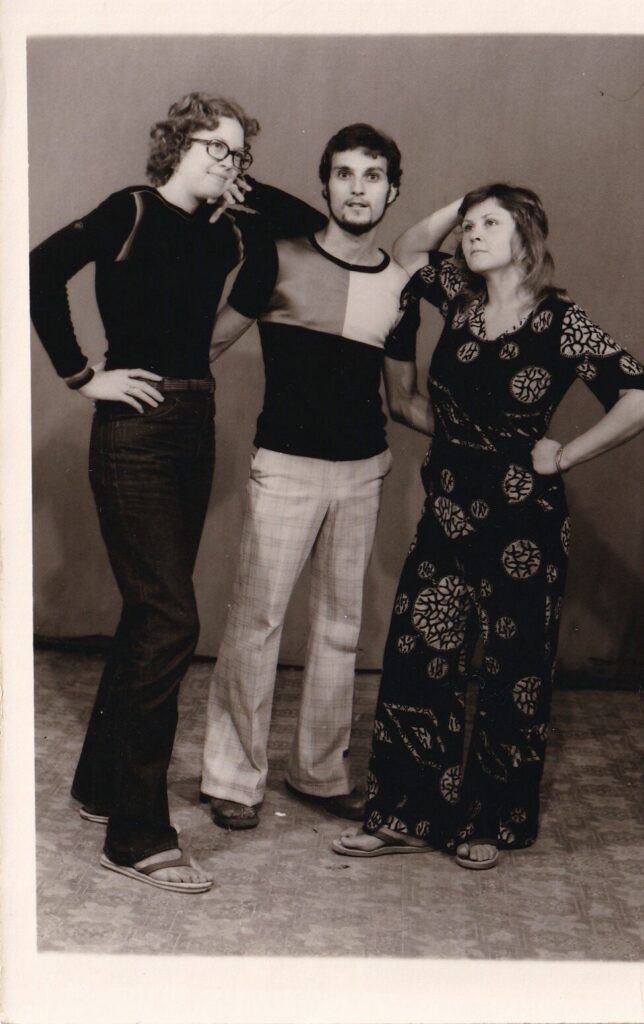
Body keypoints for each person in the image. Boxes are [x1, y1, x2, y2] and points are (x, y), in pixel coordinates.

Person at [30, 91, 325, 893]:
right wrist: (83, 377)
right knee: (169, 619)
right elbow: (37, 269)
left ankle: (100, 785)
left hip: (194, 420)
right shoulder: (130, 209)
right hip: (135, 430)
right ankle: (135, 835)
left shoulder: (227, 230)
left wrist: (244, 194)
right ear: (175, 146)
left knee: (146, 615)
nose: (229, 163)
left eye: (239, 153)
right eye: (215, 147)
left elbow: (299, 225)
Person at [333, 183, 644, 868]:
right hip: (447, 507)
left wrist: (565, 452)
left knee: (514, 670)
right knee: (420, 655)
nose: (471, 234)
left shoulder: (560, 320)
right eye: (468, 226)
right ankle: (405, 816)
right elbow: (412, 249)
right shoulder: (459, 298)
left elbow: (638, 395)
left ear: (525, 239)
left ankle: (489, 823)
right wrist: (470, 195)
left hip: (523, 518)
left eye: (489, 224)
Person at [200, 123, 421, 830]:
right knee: (256, 625)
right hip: (285, 467)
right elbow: (204, 342)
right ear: (324, 184)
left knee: (339, 628)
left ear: (393, 191)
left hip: (363, 472)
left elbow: (404, 399)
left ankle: (321, 775)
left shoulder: (400, 288)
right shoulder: (277, 257)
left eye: (373, 175)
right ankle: (233, 778)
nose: (359, 188)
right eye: (346, 174)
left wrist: (498, 438)